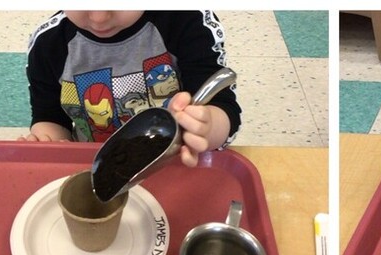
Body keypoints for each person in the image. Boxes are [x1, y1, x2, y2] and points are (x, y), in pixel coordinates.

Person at [19, 11, 241, 167]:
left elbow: (222, 107)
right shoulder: (48, 44)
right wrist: (47, 144)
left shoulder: (187, 21)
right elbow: (50, 117)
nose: (99, 16)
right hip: (92, 165)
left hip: (172, 163)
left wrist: (207, 127)